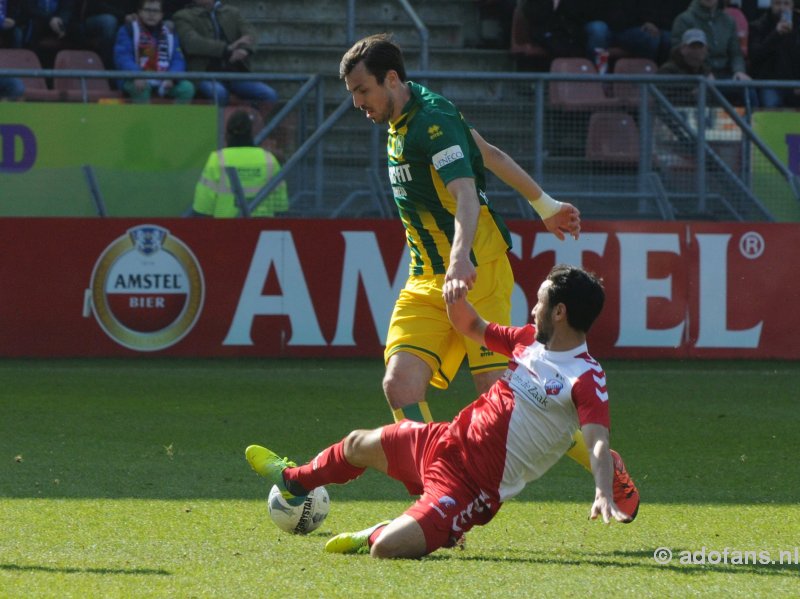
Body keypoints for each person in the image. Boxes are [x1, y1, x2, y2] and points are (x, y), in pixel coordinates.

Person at [338, 34, 638, 511]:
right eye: (353, 92)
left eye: (362, 90)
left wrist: (460, 260)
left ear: (391, 79)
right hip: (426, 277)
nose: (356, 102)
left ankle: (608, 466)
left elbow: (464, 196)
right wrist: (546, 205)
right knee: (399, 385)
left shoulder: (432, 124)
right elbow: (489, 153)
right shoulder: (410, 117)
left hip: (478, 270)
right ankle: (432, 490)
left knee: (506, 403)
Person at [245, 265, 640, 558]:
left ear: (559, 313)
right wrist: (455, 292)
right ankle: (294, 480)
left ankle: (381, 531)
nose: (533, 309)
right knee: (355, 444)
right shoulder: (525, 340)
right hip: (442, 440)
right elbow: (470, 325)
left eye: (540, 302)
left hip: (470, 489)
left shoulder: (585, 377)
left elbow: (599, 442)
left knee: (385, 550)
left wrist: (602, 490)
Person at [173, 0, 277, 114]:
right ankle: (219, 131)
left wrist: (243, 49)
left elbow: (250, 34)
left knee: (269, 95)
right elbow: (192, 43)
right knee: (220, 93)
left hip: (234, 74)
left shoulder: (232, 12)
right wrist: (227, 49)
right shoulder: (182, 16)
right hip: (204, 75)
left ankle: (253, 128)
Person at [192, 109, 288, 217]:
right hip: (261, 227)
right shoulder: (269, 159)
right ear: (251, 133)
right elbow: (281, 204)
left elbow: (203, 204)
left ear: (227, 134)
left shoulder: (217, 159)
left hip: (225, 228)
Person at [671, 0, 755, 104]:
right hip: (696, 77)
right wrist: (705, 72)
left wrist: (739, 71)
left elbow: (736, 53)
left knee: (748, 90)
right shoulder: (684, 20)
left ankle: (748, 121)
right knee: (706, 93)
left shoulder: (729, 21)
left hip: (725, 75)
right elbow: (677, 53)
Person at [113, 0, 194, 103]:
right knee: (141, 88)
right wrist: (136, 75)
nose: (151, 14)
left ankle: (174, 119)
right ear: (140, 12)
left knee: (187, 88)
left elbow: (178, 59)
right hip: (134, 77)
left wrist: (172, 78)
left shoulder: (169, 32)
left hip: (163, 78)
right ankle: (143, 119)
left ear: (161, 15)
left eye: (155, 11)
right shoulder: (128, 30)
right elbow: (123, 57)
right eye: (147, 10)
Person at [511, 0, 611, 72]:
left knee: (598, 30)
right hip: (550, 35)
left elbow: (583, 16)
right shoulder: (534, 5)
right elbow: (535, 18)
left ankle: (600, 77)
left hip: (574, 33)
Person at [749, 0, 800, 107]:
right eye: (777, 3)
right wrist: (776, 34)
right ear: (771, 4)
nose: (782, 8)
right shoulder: (759, 25)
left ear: (792, 5)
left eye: (786, 3)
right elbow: (755, 56)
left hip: (795, 81)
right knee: (771, 104)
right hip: (769, 82)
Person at [607, 0, 690, 64]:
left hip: (662, 29)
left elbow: (677, 17)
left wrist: (658, 28)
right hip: (631, 28)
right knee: (650, 39)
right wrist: (645, 23)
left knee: (670, 40)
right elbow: (623, 14)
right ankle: (644, 75)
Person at [69, 0, 137, 72]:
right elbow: (96, 6)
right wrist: (123, 16)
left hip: (121, 19)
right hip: (94, 18)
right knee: (109, 22)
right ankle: (108, 68)